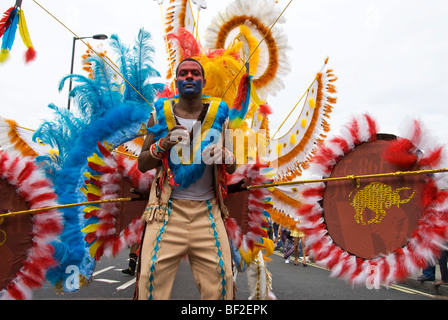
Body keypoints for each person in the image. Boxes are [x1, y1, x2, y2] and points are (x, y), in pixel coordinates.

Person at [136, 58, 236, 300]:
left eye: (194, 73)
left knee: (223, 281)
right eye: (183, 73)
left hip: (208, 213)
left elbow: (234, 165)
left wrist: (224, 154)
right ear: (177, 80)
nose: (189, 76)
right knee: (149, 280)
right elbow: (142, 163)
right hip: (165, 212)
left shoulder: (221, 116)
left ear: (203, 81)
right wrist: (162, 145)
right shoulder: (158, 115)